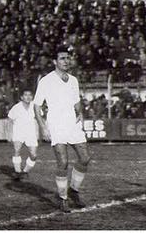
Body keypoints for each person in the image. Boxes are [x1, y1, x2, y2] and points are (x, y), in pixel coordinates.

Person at [34, 48, 91, 212]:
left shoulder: (73, 80)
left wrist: (80, 113)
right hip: (56, 124)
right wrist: (43, 127)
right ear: (55, 62)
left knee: (85, 158)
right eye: (62, 58)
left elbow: (76, 101)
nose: (66, 61)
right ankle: (62, 198)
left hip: (73, 124)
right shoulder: (46, 81)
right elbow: (37, 106)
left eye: (68, 58)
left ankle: (73, 191)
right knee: (63, 162)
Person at [7, 87, 38, 181]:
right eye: (25, 95)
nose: (28, 97)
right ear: (21, 97)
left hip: (31, 133)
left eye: (30, 95)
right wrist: (9, 133)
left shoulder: (35, 106)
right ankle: (17, 172)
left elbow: (39, 119)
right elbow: (10, 120)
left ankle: (25, 171)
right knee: (17, 151)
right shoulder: (16, 107)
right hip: (18, 131)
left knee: (34, 155)